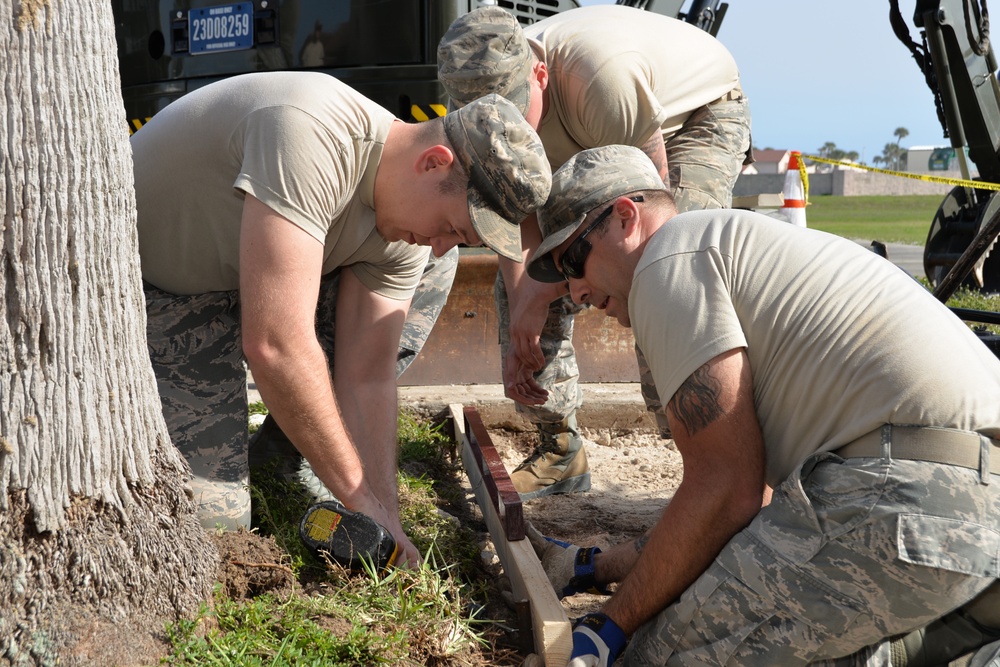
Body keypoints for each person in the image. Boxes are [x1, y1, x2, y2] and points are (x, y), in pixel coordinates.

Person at [523, 144, 1000, 666]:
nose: (574, 290)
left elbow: (727, 493)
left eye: (573, 260)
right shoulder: (732, 245)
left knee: (663, 652)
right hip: (971, 516)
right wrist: (594, 567)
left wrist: (610, 626)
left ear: (625, 217)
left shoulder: (668, 262)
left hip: (909, 498)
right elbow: (750, 518)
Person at [131, 70, 551, 568]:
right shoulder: (308, 133)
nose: (440, 243)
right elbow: (275, 344)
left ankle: (281, 452)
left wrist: (385, 521)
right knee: (215, 526)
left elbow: (368, 375)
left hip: (242, 279)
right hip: (161, 289)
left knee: (436, 270)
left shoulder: (405, 220)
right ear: (433, 163)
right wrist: (359, 499)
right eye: (449, 226)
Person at [436, 5, 752, 499]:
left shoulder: (601, 81)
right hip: (598, 124)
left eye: (515, 114)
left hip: (690, 117)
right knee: (519, 283)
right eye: (488, 125)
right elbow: (515, 206)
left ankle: (705, 457)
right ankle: (560, 448)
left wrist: (548, 292)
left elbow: (651, 217)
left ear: (539, 75)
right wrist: (526, 300)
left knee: (669, 274)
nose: (504, 133)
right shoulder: (485, 110)